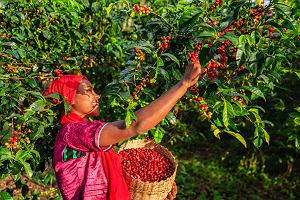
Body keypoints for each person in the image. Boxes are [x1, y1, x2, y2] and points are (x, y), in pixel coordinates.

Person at [43, 59, 206, 200]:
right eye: (89, 91)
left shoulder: (82, 133)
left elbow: (111, 181)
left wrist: (153, 192)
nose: (97, 95)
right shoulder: (73, 132)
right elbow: (136, 125)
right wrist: (183, 84)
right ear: (68, 98)